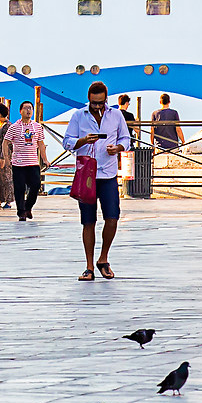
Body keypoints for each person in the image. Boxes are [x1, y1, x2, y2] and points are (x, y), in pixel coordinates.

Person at [61, 81, 131, 280]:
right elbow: (67, 141)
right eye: (94, 103)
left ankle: (103, 258)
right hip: (87, 175)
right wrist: (83, 140)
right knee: (88, 221)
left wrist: (118, 148)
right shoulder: (78, 116)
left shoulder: (116, 115)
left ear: (106, 100)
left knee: (112, 218)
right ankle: (89, 266)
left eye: (100, 103)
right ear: (89, 100)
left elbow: (126, 139)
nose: (97, 107)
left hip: (108, 173)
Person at [8, 100, 45, 220]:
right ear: (20, 111)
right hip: (18, 163)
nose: (28, 111)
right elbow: (5, 142)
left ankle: (28, 206)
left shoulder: (37, 127)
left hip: (33, 162)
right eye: (26, 108)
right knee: (19, 188)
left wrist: (45, 159)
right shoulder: (14, 127)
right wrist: (6, 157)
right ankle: (21, 212)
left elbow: (41, 143)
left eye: (30, 108)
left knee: (35, 185)